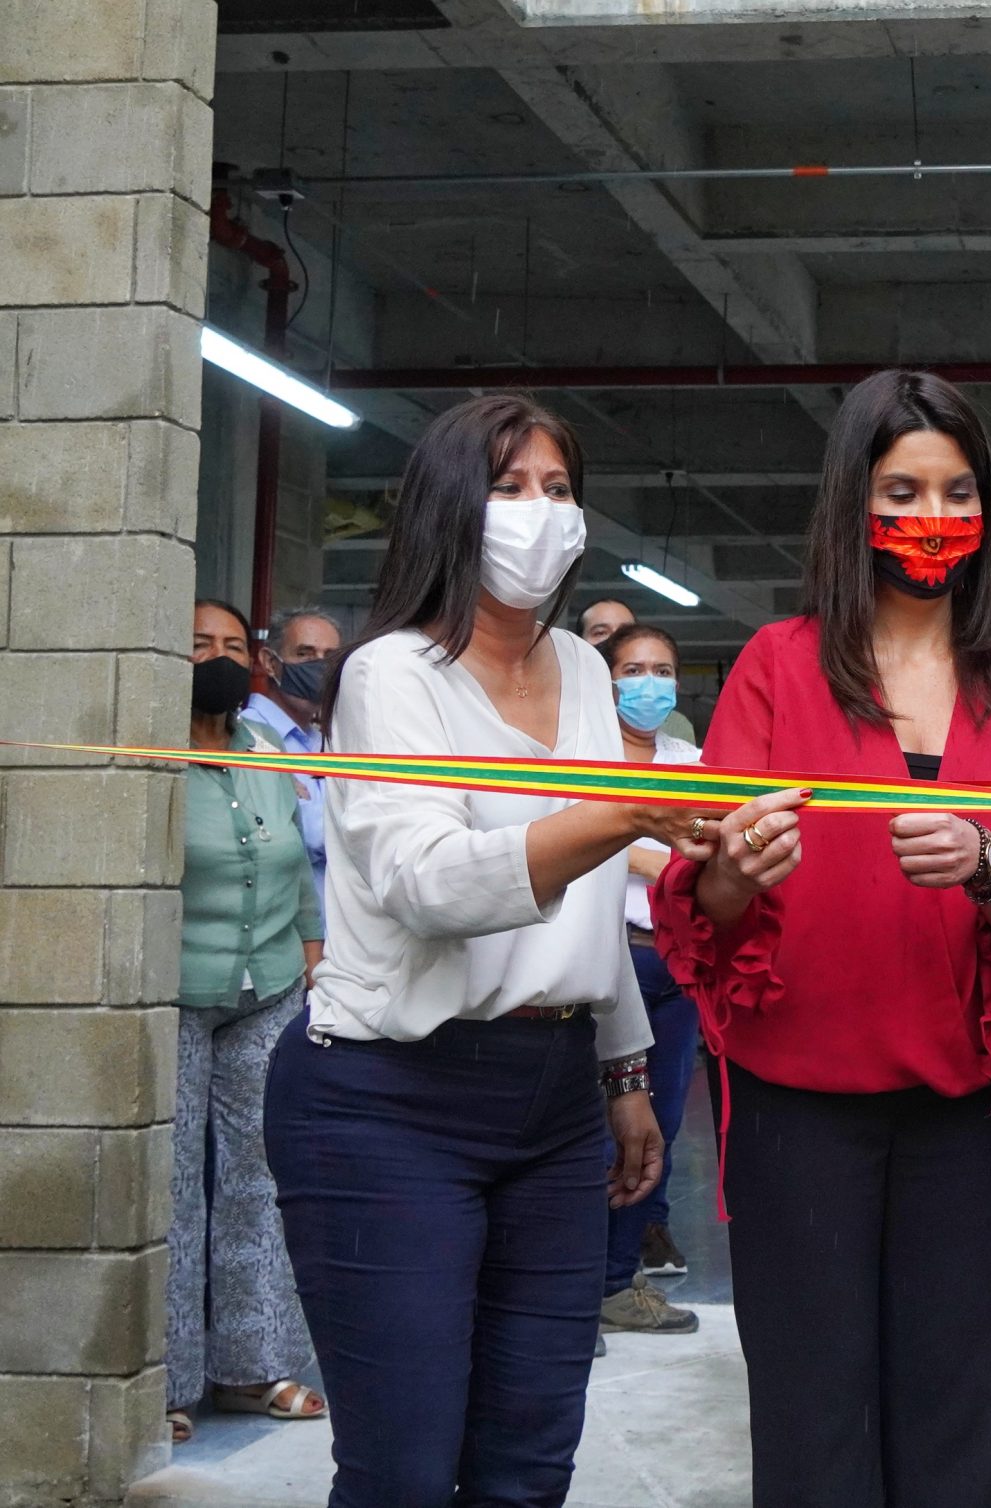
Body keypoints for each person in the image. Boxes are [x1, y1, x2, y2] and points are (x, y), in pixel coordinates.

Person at [265, 393, 726, 1507]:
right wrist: (621, 812)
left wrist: (623, 1073)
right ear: (447, 509)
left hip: (552, 1100)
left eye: (559, 491)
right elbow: (430, 883)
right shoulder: (391, 676)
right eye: (508, 488)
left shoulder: (578, 666)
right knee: (407, 1468)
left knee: (526, 1460)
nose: (539, 514)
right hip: (388, 1097)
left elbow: (590, 910)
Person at [652, 370, 991, 1507]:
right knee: (810, 1415)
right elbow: (709, 904)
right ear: (853, 503)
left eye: (955, 489)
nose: (930, 516)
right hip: (795, 1100)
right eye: (900, 489)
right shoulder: (778, 666)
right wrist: (732, 870)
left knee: (948, 1416)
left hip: (959, 1103)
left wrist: (989, 865)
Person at [165, 598, 328, 1447]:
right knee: (172, 1181)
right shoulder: (146, 745)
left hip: (267, 983)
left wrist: (310, 940)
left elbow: (296, 856)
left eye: (234, 645)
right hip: (176, 989)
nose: (220, 658)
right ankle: (164, 1380)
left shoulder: (263, 746)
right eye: (200, 645)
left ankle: (252, 1366)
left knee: (261, 1178)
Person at [597, 622, 706, 1334]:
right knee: (602, 1129)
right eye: (634, 668)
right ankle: (574, 1290)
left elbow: (712, 846)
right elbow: (594, 848)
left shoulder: (692, 759)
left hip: (678, 960)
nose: (649, 683)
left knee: (658, 1127)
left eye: (661, 669)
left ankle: (615, 1281)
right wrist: (660, 854)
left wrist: (644, 849)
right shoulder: (586, 758)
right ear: (608, 680)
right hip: (612, 959)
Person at [242, 605, 341, 921]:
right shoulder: (247, 736)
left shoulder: (324, 740)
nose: (319, 666)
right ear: (271, 663)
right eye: (305, 653)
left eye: (329, 657)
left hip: (334, 937)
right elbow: (312, 835)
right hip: (282, 934)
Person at [581, 597, 696, 744]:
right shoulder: (560, 717)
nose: (614, 640)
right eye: (600, 632)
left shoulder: (677, 728)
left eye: (626, 632)